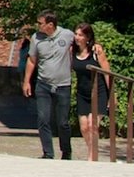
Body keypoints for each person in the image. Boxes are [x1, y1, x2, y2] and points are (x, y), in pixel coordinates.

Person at [22, 11, 76, 160]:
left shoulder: (67, 35)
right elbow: (32, 60)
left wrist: (95, 46)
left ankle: (66, 152)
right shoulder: (36, 39)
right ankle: (48, 153)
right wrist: (26, 81)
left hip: (63, 85)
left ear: (50, 25)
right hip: (43, 84)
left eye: (40, 23)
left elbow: (83, 42)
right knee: (43, 118)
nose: (37, 25)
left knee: (63, 122)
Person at [71, 22, 113, 159]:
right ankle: (92, 151)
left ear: (87, 37)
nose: (77, 37)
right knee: (84, 127)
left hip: (98, 92)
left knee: (92, 124)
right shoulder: (72, 51)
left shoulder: (96, 52)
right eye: (76, 34)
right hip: (82, 93)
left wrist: (112, 94)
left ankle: (91, 156)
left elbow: (107, 72)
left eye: (80, 35)